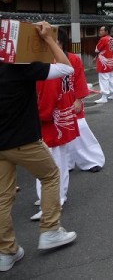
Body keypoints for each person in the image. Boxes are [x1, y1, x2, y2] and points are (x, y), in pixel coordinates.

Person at [0, 21, 77, 272]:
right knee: (51, 175)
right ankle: (50, 230)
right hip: (24, 140)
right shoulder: (20, 67)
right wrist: (49, 40)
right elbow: (66, 68)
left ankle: (6, 251)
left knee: (2, 197)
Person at [31, 31, 82, 221]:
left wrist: (39, 116)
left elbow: (46, 100)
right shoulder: (58, 63)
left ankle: (53, 200)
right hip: (62, 115)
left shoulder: (47, 65)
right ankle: (56, 197)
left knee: (50, 163)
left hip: (51, 121)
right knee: (59, 160)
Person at [57, 29, 105, 174]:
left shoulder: (73, 59)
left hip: (71, 102)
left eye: (57, 42)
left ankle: (92, 160)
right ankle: (66, 163)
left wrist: (78, 100)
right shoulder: (43, 61)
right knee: (59, 136)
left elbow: (79, 81)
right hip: (55, 106)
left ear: (62, 43)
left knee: (80, 130)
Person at [93, 26, 113, 103]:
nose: (100, 31)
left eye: (101, 30)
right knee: (111, 78)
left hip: (104, 61)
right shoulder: (112, 39)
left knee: (103, 79)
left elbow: (97, 49)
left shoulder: (103, 39)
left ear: (106, 31)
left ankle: (104, 97)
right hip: (111, 60)